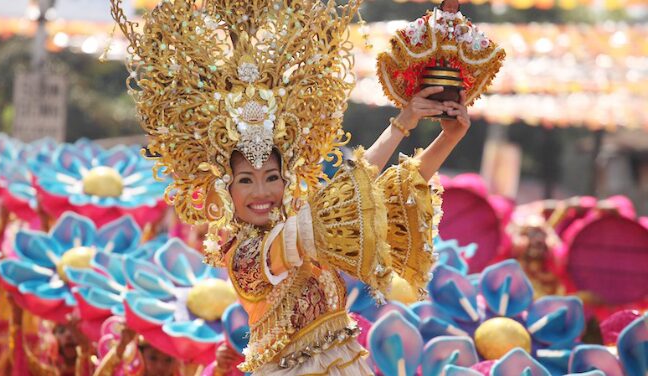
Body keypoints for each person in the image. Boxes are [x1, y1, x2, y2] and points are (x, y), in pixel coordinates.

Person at [109, 0, 472, 374]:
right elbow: (349, 192)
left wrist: (449, 138)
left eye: (271, 178)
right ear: (226, 189)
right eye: (246, 181)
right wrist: (402, 122)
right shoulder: (245, 255)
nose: (261, 192)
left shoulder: (305, 223)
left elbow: (388, 195)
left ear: (287, 181)